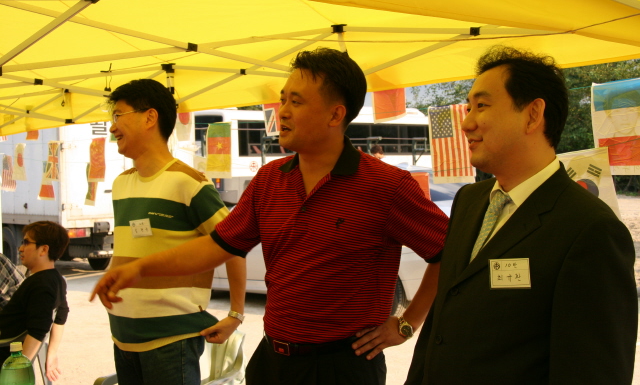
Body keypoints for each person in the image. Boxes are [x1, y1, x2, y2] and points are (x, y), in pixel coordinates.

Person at [92, 48, 449, 385]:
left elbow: (447, 252)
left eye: (296, 101)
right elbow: (216, 246)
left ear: (335, 115)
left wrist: (407, 323)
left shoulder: (385, 185)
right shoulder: (269, 180)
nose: (283, 112)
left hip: (342, 366)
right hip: (272, 361)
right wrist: (140, 268)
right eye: (282, 99)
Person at [405, 45, 637, 385]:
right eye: (468, 108)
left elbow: (595, 370)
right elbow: (441, 323)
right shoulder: (469, 200)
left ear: (532, 115)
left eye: (481, 106)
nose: (466, 123)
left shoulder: (591, 229)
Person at [103, 79, 246, 385]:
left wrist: (236, 314)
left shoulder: (189, 183)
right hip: (123, 336)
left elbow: (233, 245)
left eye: (118, 116)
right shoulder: (120, 184)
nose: (112, 127)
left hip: (171, 341)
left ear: (149, 117)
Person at [0, 221, 70, 382]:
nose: (20, 248)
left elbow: (38, 330)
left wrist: (19, 370)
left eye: (26, 243)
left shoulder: (40, 285)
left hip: (5, 354)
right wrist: (51, 354)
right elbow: (61, 317)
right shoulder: (56, 279)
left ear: (43, 250)